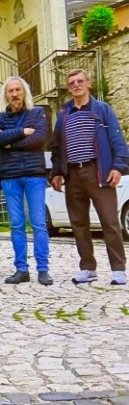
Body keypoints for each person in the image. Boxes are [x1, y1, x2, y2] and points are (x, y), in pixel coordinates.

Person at [51, 68, 129, 286]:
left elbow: (117, 141)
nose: (76, 85)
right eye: (72, 82)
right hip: (73, 174)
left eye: (80, 81)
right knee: (78, 224)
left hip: (98, 172)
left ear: (88, 84)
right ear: (69, 88)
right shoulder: (64, 114)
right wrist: (56, 172)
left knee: (110, 222)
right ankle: (87, 268)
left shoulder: (102, 110)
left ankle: (118, 269)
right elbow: (56, 146)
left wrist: (118, 167)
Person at [0, 76, 51, 285]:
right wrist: (22, 132)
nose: (14, 94)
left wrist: (10, 143)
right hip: (10, 177)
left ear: (24, 92)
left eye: (18, 90)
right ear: (5, 95)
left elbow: (39, 139)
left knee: (39, 223)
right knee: (16, 225)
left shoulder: (37, 113)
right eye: (10, 91)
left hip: (34, 175)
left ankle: (43, 269)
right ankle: (21, 269)